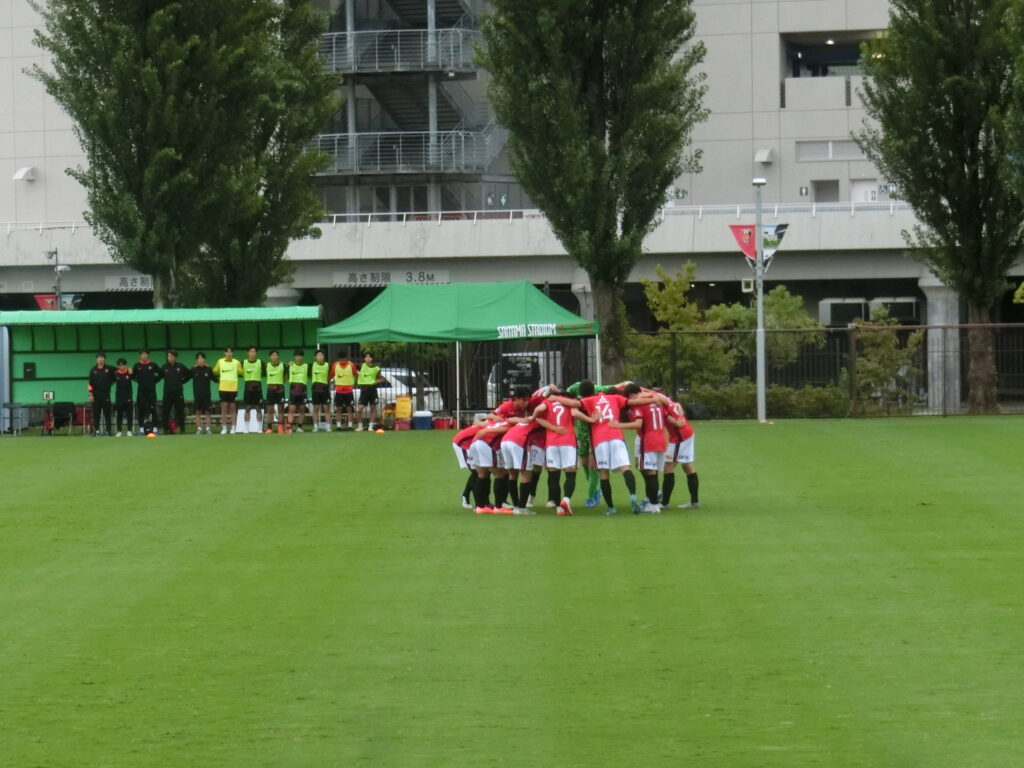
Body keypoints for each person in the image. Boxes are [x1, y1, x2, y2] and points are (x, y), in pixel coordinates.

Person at [578, 381, 656, 515]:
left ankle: (611, 507)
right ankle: (633, 496)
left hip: (599, 439)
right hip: (616, 436)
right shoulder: (615, 398)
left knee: (603, 473)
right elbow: (634, 402)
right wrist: (653, 398)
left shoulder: (589, 400)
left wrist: (555, 397)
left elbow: (573, 407)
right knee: (626, 468)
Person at [533, 393, 591, 516]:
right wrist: (591, 420)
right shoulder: (569, 402)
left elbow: (539, 411)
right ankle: (566, 500)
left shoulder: (547, 402)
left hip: (551, 443)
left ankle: (559, 508)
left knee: (553, 476)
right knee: (570, 473)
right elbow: (575, 413)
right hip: (568, 442)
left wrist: (552, 427)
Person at [623, 383, 670, 513]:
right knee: (650, 470)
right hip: (661, 439)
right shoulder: (657, 401)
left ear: (632, 396)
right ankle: (654, 499)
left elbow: (638, 424)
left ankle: (653, 504)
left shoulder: (640, 404)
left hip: (648, 440)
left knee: (650, 473)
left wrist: (617, 425)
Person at [468, 419, 513, 514]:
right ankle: (499, 507)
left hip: (475, 443)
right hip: (487, 444)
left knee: (482, 474)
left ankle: (480, 507)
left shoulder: (498, 422)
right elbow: (506, 429)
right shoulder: (509, 425)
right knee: (499, 474)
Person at [664, 399, 700, 509]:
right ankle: (694, 502)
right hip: (687, 433)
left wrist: (677, 423)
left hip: (679, 438)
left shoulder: (661, 406)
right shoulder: (669, 401)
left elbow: (669, 418)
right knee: (688, 466)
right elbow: (678, 405)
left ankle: (664, 503)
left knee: (668, 467)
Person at [452, 420, 485, 510]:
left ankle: (466, 495)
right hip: (462, 444)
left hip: (471, 444)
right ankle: (477, 503)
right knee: (476, 472)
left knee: (478, 472)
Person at [211, 347, 243, 434]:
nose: (229, 353)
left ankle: (233, 428)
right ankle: (224, 428)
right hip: (223, 388)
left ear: (232, 353)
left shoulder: (236, 362)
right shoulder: (220, 361)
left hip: (233, 388)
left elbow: (241, 372)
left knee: (233, 409)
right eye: (227, 352)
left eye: (230, 352)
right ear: (224, 353)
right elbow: (214, 371)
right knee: (224, 409)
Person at [161, 349, 191, 434]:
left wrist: (183, 381)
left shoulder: (180, 366)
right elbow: (159, 376)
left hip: (178, 393)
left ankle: (182, 429)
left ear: (175, 357)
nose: (169, 358)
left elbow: (189, 374)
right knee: (165, 411)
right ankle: (165, 429)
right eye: (168, 356)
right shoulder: (164, 367)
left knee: (180, 411)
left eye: (171, 356)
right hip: (167, 393)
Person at [132, 349, 162, 434]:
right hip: (141, 391)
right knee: (141, 409)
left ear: (148, 355)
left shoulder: (153, 364)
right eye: (142, 354)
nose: (144, 356)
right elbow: (132, 376)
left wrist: (154, 381)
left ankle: (155, 428)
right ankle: (141, 428)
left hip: (151, 391)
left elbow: (161, 374)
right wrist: (139, 381)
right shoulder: (137, 365)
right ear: (140, 355)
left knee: (153, 409)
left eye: (146, 354)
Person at [87, 351, 115, 436]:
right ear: (96, 359)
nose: (100, 359)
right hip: (95, 395)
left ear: (104, 359)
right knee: (96, 414)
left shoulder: (109, 369)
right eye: (99, 358)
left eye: (102, 358)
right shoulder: (93, 370)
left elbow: (119, 371)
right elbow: (90, 384)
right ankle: (97, 431)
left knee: (107, 414)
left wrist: (128, 370)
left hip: (106, 395)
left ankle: (109, 431)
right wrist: (91, 394)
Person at [355, 352, 384, 431]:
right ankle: (360, 426)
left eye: (369, 357)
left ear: (372, 359)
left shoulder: (376, 368)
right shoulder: (361, 366)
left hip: (372, 389)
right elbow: (353, 369)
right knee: (359, 409)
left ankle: (370, 426)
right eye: (366, 357)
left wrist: (374, 382)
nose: (368, 358)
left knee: (373, 408)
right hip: (364, 389)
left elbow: (381, 379)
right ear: (364, 359)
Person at [330, 349, 358, 430]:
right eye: (341, 359)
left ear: (346, 358)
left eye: (344, 359)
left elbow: (356, 375)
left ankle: (350, 426)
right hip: (339, 391)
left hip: (349, 391)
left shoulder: (351, 365)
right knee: (338, 409)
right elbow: (331, 376)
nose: (342, 361)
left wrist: (357, 384)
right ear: (338, 359)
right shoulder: (335, 365)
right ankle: (338, 426)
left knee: (350, 408)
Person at [241, 346, 264, 434]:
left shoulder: (260, 362)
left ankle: (259, 428)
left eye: (254, 351)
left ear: (256, 353)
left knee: (258, 408)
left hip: (258, 388)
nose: (252, 353)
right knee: (247, 408)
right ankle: (246, 428)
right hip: (247, 388)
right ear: (248, 353)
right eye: (251, 351)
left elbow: (269, 370)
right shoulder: (243, 362)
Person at [287, 349, 309, 433]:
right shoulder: (290, 365)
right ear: (294, 357)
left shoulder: (306, 366)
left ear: (302, 357)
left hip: (303, 389)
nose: (298, 357)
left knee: (302, 409)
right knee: (291, 409)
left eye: (300, 356)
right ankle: (289, 427)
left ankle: (300, 427)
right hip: (293, 389)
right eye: (297, 356)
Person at [263, 350, 286, 433]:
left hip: (280, 389)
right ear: (270, 357)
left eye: (276, 355)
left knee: (281, 409)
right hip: (270, 389)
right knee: (269, 410)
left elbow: (286, 376)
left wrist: (280, 383)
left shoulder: (283, 365)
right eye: (273, 355)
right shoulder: (267, 365)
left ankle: (280, 428)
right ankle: (269, 428)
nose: (275, 357)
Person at [191, 353, 214, 434]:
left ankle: (208, 428)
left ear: (204, 359)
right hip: (197, 394)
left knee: (207, 412)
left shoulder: (208, 369)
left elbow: (214, 378)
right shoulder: (193, 369)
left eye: (202, 358)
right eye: (199, 358)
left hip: (207, 394)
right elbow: (187, 376)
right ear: (196, 360)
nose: (200, 360)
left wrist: (222, 381)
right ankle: (199, 429)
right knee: (198, 412)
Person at [309, 349, 331, 431]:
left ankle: (328, 427)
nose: (320, 356)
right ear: (315, 357)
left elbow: (331, 375)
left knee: (326, 408)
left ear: (324, 356)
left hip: (325, 389)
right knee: (316, 409)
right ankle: (315, 427)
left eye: (321, 355)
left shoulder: (327, 365)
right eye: (318, 355)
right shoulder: (312, 365)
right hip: (315, 390)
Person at [112, 357, 134, 437]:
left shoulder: (129, 372)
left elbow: (135, 377)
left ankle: (129, 430)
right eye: (120, 365)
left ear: (125, 365)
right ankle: (119, 431)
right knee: (119, 415)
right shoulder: (115, 373)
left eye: (123, 365)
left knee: (129, 415)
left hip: (128, 397)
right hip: (119, 398)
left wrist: (131, 373)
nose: (121, 367)